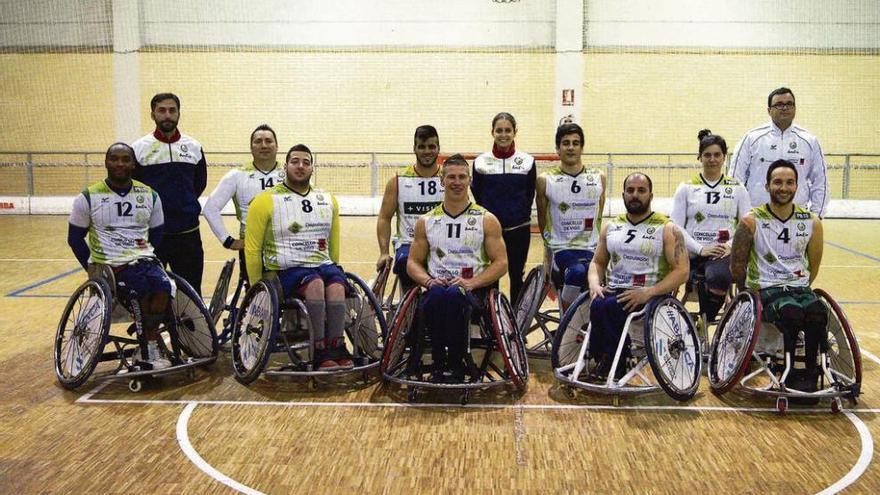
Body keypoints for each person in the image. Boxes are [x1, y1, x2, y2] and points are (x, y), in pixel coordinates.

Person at [245, 144, 353, 371]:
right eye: (295, 161)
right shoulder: (265, 200)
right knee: (314, 284)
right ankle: (319, 349)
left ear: (312, 168)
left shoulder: (326, 199)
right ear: (285, 166)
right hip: (287, 269)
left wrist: (334, 267)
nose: (300, 166)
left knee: (336, 286)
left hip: (321, 264)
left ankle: (337, 345)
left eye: (306, 162)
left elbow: (333, 244)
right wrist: (258, 288)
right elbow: (253, 248)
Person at [67, 143, 171, 370]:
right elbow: (75, 239)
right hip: (111, 264)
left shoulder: (149, 195)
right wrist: (93, 268)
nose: (120, 164)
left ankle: (149, 342)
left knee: (165, 288)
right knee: (141, 292)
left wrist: (143, 250)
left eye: (126, 159)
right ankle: (148, 348)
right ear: (106, 162)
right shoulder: (88, 197)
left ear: (134, 164)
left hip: (143, 259)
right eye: (114, 159)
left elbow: (157, 233)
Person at [407, 154, 508, 382]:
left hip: (474, 291)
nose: (457, 182)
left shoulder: (486, 219)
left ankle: (455, 362)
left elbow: (501, 263)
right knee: (436, 296)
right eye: (451, 177)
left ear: (470, 180)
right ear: (442, 181)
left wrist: (472, 283)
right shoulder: (426, 221)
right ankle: (438, 361)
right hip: (436, 288)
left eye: (462, 177)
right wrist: (428, 281)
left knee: (454, 294)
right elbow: (412, 262)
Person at [730, 159, 826, 392]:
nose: (783, 188)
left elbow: (813, 265)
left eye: (789, 183)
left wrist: (800, 285)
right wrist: (747, 294)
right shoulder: (751, 221)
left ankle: (811, 372)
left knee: (818, 311)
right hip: (765, 288)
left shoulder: (811, 222)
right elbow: (737, 266)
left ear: (797, 186)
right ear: (767, 186)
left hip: (798, 288)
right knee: (791, 312)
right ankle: (790, 371)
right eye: (778, 182)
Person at [587, 173, 689, 377]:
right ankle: (604, 357)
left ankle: (615, 361)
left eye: (641, 191)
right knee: (598, 302)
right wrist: (595, 284)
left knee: (609, 306)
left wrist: (648, 292)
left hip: (651, 294)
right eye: (630, 190)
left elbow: (682, 271)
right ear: (623, 194)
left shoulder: (667, 228)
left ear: (651, 195)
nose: (635, 195)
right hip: (616, 290)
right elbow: (597, 262)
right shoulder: (611, 226)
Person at [670, 129, 750, 323]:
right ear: (699, 157)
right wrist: (701, 249)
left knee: (718, 276)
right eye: (707, 155)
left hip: (722, 253)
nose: (712, 159)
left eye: (717, 155)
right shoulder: (686, 188)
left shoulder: (737, 188)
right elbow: (675, 226)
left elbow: (747, 225)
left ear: (724, 158)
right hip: (691, 252)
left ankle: (706, 320)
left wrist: (729, 246)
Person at [132, 92, 207, 295]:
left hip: (187, 234)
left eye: (172, 110)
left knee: (191, 294)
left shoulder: (194, 147)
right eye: (162, 110)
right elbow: (134, 189)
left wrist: (183, 204)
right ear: (152, 114)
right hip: (151, 236)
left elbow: (199, 184)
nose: (167, 115)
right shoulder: (139, 149)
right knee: (150, 295)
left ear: (179, 113)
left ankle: (186, 328)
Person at [536, 123, 606, 313]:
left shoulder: (599, 177)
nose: (571, 147)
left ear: (582, 148)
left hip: (591, 249)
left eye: (576, 143)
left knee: (601, 276)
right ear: (557, 148)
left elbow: (598, 215)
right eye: (565, 143)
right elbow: (542, 219)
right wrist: (548, 255)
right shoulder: (545, 180)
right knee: (577, 273)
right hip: (561, 250)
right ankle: (567, 321)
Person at [730, 87, 829, 218]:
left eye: (789, 104)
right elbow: (735, 180)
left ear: (795, 108)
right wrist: (742, 216)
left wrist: (816, 217)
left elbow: (821, 182)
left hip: (796, 219)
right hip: (757, 216)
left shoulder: (810, 141)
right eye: (779, 104)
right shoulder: (751, 139)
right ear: (769, 110)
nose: (785, 108)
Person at [203, 124, 284, 283]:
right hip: (252, 246)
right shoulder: (237, 175)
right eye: (258, 141)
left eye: (269, 141)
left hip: (287, 244)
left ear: (277, 146)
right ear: (251, 147)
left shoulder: (289, 172)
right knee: (257, 294)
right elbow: (210, 208)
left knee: (288, 292)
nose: (264, 145)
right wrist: (227, 240)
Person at [472, 112, 536, 304]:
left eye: (508, 130)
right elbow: (478, 194)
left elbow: (529, 193)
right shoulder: (481, 162)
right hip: (490, 231)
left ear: (515, 132)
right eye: (499, 130)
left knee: (517, 276)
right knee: (491, 277)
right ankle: (491, 323)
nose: (503, 135)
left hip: (519, 230)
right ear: (492, 132)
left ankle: (516, 321)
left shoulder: (527, 161)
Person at [376, 125, 444, 291]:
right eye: (421, 146)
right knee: (407, 267)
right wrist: (384, 252)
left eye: (431, 146)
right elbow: (384, 218)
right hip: (409, 244)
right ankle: (409, 312)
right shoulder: (398, 181)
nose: (426, 151)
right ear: (414, 148)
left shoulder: (450, 180)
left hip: (442, 244)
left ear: (438, 148)